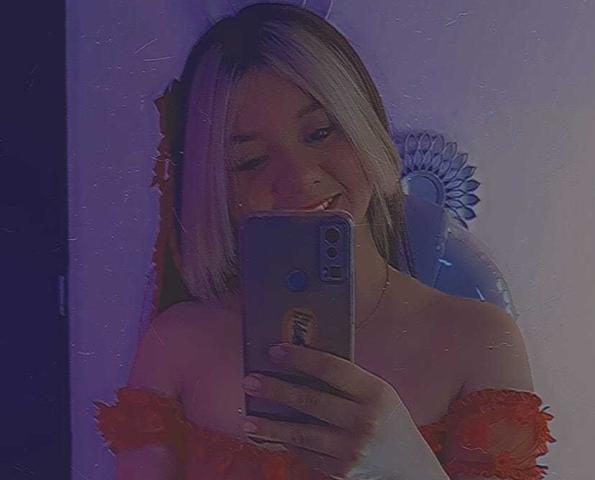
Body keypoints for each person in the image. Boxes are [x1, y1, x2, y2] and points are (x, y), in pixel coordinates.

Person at [94, 4, 555, 479]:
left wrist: (406, 466)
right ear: (217, 190)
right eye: (250, 161)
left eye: (319, 132)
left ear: (364, 127)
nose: (299, 177)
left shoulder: (478, 341)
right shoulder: (176, 344)